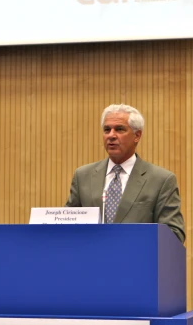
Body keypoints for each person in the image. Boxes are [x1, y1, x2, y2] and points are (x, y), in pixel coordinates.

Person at [65, 104, 186, 243]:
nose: (111, 135)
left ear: (137, 135)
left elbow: (174, 234)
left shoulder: (161, 180)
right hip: (91, 261)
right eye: (107, 130)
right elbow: (68, 225)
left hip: (137, 262)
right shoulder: (83, 176)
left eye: (119, 129)